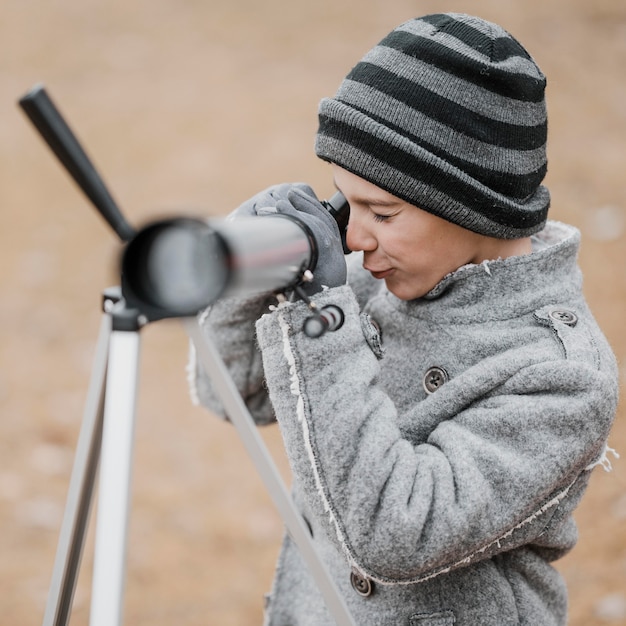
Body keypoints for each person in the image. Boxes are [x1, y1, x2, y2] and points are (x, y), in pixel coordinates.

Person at [188, 12, 619, 626]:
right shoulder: (371, 279)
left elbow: (393, 535)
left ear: (474, 208)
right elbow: (233, 391)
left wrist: (318, 315)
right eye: (344, 201)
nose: (355, 239)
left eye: (382, 213)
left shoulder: (560, 375)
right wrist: (258, 269)